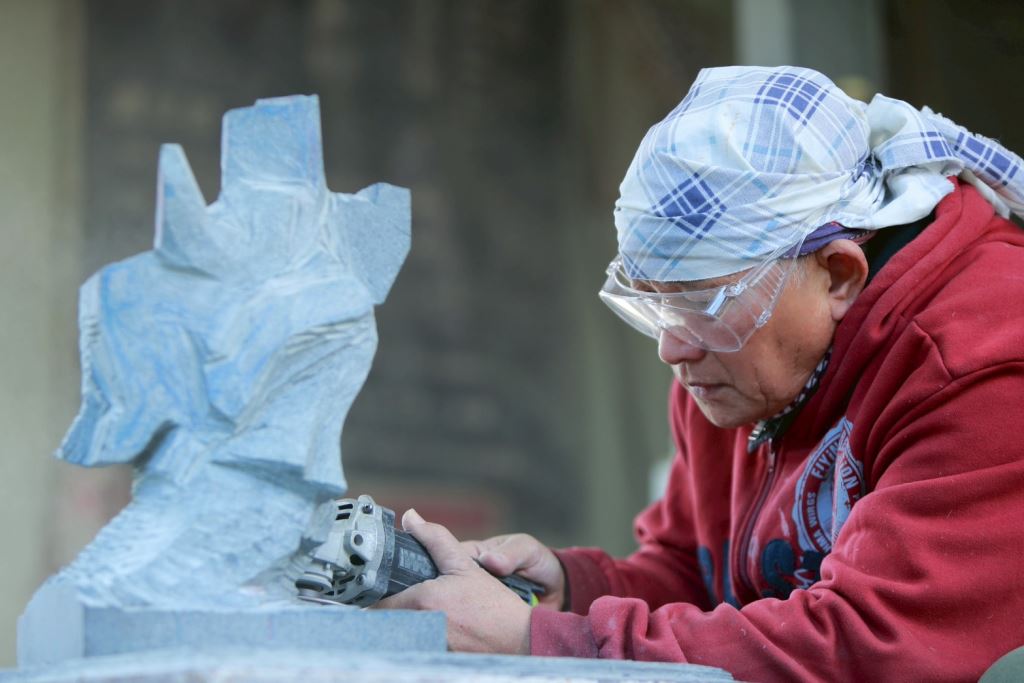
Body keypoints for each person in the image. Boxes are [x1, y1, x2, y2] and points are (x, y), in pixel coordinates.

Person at [376, 66, 1024, 681]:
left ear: (837, 274)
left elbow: (877, 651)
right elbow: (701, 577)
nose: (672, 347)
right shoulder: (740, 360)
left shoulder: (984, 366)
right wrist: (574, 589)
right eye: (656, 304)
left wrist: (539, 641)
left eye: (703, 304)